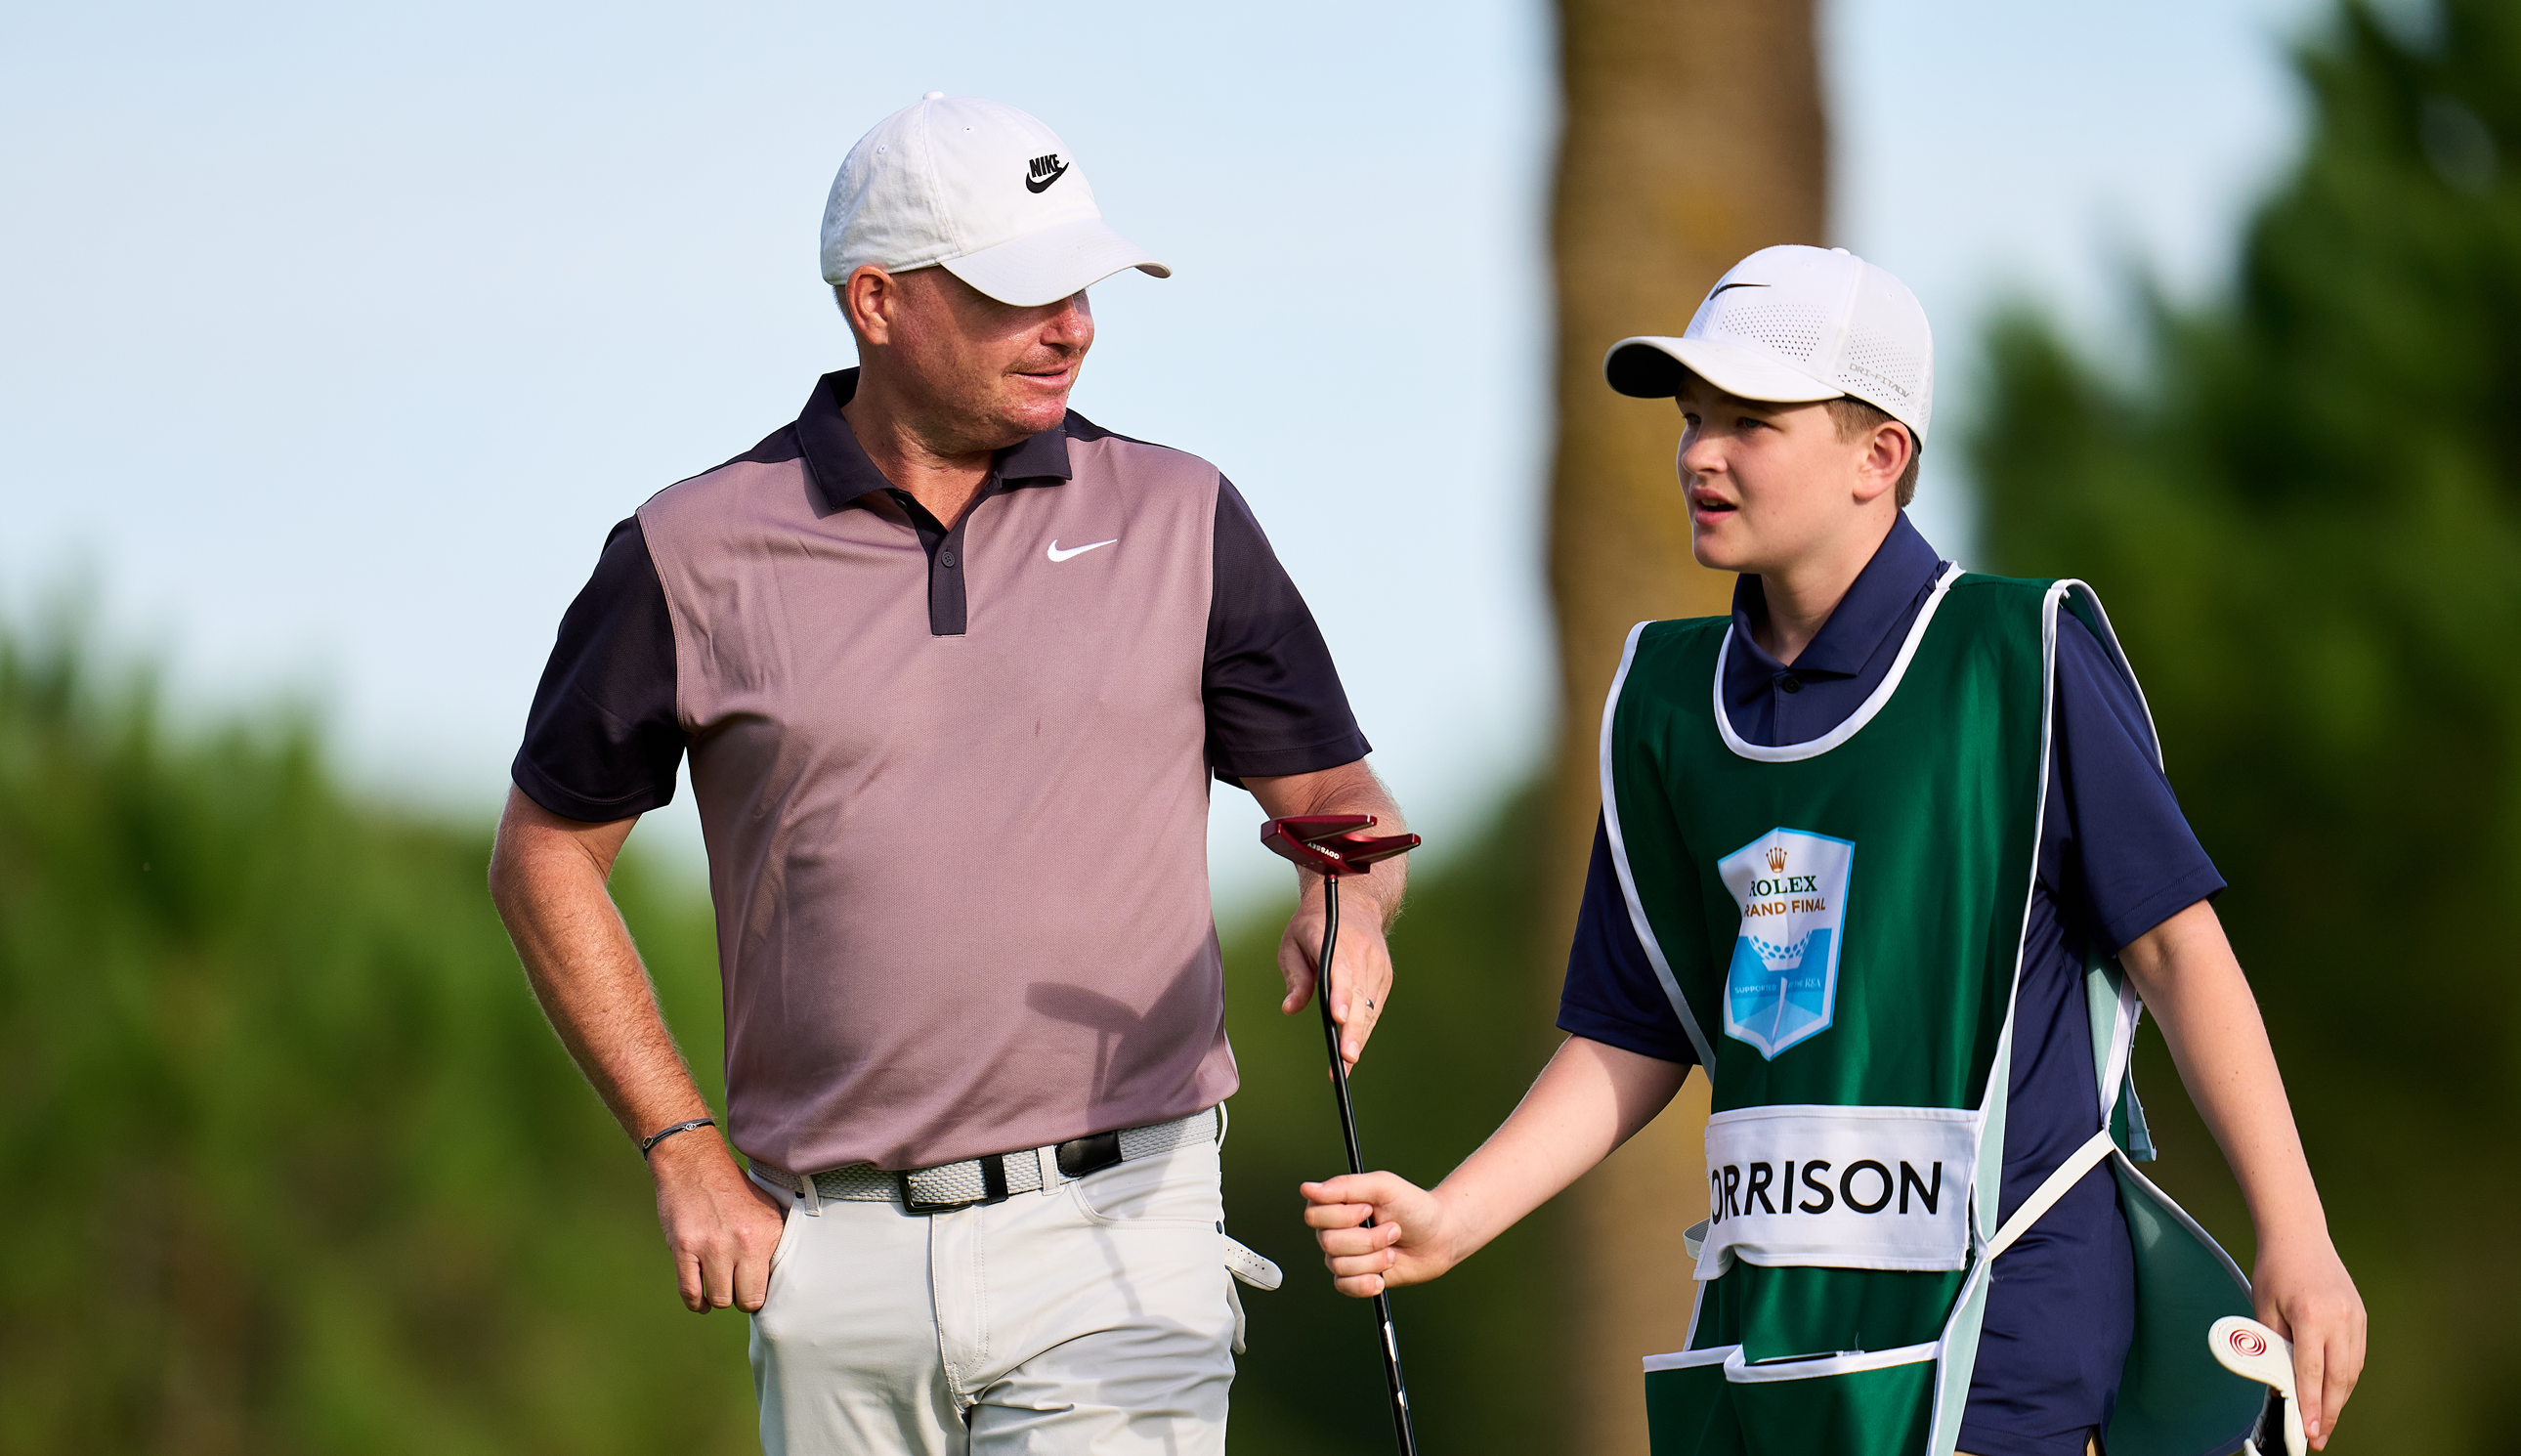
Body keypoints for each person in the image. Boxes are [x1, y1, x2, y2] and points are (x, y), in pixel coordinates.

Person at [1301, 245, 2365, 1456]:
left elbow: (2178, 948)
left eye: (1750, 420)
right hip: (1767, 1336)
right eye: (1694, 417)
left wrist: (2297, 1232)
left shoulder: (2021, 653)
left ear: (1880, 456)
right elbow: (1633, 1031)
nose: (1700, 451)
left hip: (2004, 1334)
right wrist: (1453, 1215)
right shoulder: (1661, 701)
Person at [489, 93, 1410, 1456]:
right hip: (830, 1256)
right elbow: (545, 855)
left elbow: (1346, 812)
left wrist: (1353, 915)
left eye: (1085, 292)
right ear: (876, 300)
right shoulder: (688, 552)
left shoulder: (1183, 516)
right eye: (1021, 296)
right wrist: (681, 1146)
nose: (1074, 328)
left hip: (1118, 1236)